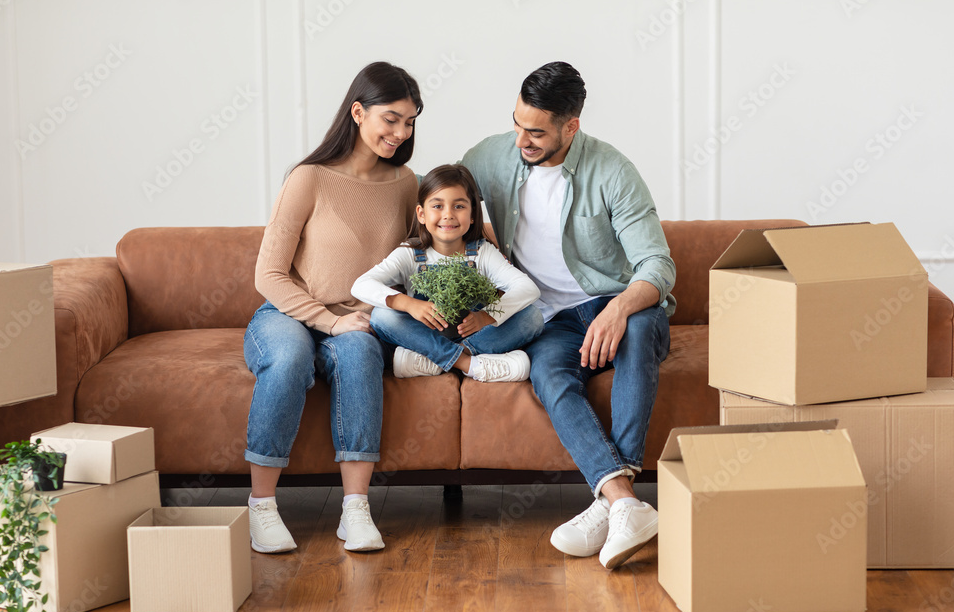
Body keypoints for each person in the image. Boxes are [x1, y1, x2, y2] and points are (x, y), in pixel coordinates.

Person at [461, 61, 676, 569]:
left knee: (640, 324)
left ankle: (610, 502)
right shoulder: (490, 156)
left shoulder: (613, 171)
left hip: (613, 305)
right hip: (547, 317)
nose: (521, 140)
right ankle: (623, 501)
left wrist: (619, 307)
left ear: (570, 126)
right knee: (548, 372)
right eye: (516, 124)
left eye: (535, 131)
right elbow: (434, 196)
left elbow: (657, 263)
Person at [244, 61, 422, 554]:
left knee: (362, 352)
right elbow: (269, 274)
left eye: (409, 121)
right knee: (289, 359)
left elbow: (416, 257)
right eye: (391, 118)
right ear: (358, 111)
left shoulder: (407, 184)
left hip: (359, 318)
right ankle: (261, 506)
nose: (400, 132)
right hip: (289, 312)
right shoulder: (309, 178)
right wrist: (329, 320)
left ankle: (355, 509)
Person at [351, 164, 543, 382]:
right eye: (438, 206)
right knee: (381, 315)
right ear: (421, 214)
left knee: (533, 317)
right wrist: (409, 304)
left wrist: (485, 316)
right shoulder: (410, 254)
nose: (448, 215)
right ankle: (466, 363)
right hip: (425, 335)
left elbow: (528, 288)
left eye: (459, 206)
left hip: (472, 336)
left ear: (472, 215)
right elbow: (360, 285)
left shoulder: (482, 253)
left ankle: (435, 360)